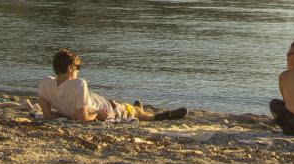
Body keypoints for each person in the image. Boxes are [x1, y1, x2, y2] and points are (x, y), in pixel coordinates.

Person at [38, 49, 187, 122]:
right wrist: (97, 114)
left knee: (124, 106)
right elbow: (82, 118)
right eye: (78, 67)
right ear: (70, 68)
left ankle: (137, 108)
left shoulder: (46, 82)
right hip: (108, 108)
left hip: (98, 101)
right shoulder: (79, 84)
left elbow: (47, 115)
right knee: (132, 111)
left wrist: (63, 113)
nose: (78, 71)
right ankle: (159, 116)